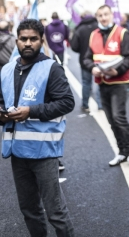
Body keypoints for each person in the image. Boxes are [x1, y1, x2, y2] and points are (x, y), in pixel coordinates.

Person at [0, 19, 75, 236]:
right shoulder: (6, 70)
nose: (28, 43)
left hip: (43, 153)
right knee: (29, 210)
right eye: (24, 39)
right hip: (17, 153)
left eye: (33, 39)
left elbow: (66, 102)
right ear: (17, 41)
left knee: (55, 212)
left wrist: (30, 111)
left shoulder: (52, 68)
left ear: (41, 40)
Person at [83, 4, 129, 169]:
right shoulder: (93, 34)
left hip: (119, 81)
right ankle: (122, 151)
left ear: (111, 15)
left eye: (106, 14)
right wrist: (91, 68)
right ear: (97, 17)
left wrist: (118, 70)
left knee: (118, 117)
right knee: (111, 120)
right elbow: (86, 58)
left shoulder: (122, 33)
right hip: (102, 82)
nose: (103, 18)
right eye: (100, 15)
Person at [70, 11, 98, 112]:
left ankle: (85, 105)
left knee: (86, 82)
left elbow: (74, 46)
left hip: (85, 59)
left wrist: (82, 50)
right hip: (99, 58)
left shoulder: (79, 29)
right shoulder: (98, 26)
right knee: (100, 82)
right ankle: (100, 104)